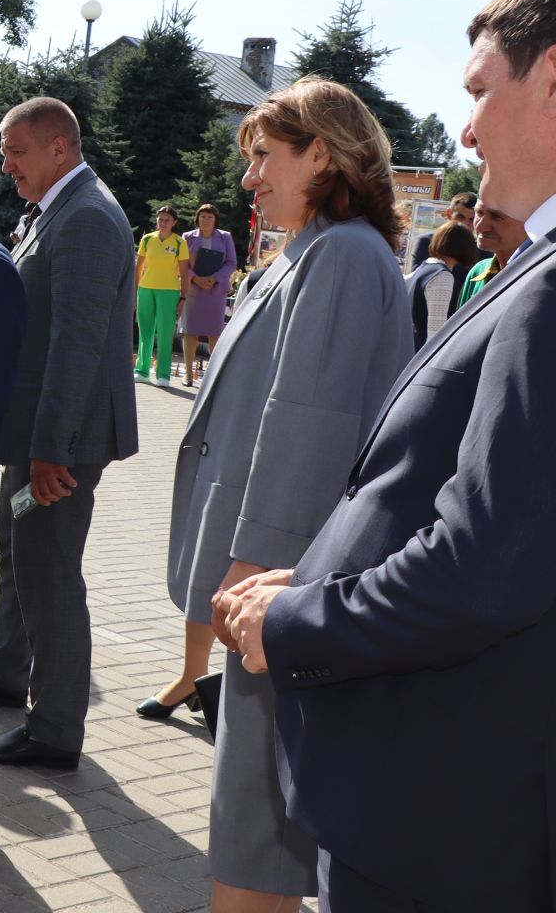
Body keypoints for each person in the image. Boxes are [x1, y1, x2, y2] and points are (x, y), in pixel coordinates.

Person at [220, 0, 556, 910]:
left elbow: (486, 566)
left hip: (445, 814)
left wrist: (294, 620)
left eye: (481, 91)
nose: (466, 128)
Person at [159, 79, 412, 909]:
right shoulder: (312, 249)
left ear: (324, 154)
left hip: (274, 582)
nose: (248, 178)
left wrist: (257, 569)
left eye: (264, 156)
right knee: (253, 814)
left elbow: (310, 422)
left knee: (258, 826)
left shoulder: (339, 254)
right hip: (267, 581)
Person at [0, 96, 137, 770]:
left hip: (57, 447)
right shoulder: (60, 210)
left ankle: (55, 729)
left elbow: (79, 344)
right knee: (19, 545)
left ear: (58, 149)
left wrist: (50, 452)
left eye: (17, 151)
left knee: (50, 573)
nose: (6, 163)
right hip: (33, 440)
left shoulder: (88, 218)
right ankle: (7, 669)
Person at [179, 204, 238, 385]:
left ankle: (212, 376)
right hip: (193, 290)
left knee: (215, 332)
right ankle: (188, 374)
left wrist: (214, 278)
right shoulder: (187, 237)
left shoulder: (225, 237)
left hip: (215, 290)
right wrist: (195, 278)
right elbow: (181, 264)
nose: (206, 220)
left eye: (210, 217)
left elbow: (231, 263)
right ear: (197, 218)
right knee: (190, 331)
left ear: (215, 220)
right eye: (203, 216)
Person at [133, 205, 191, 385]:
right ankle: (142, 370)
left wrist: (183, 298)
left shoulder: (180, 243)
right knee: (145, 331)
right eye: (161, 219)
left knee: (165, 333)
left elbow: (184, 273)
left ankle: (163, 374)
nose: (163, 223)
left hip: (169, 292)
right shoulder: (147, 239)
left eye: (167, 220)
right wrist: (135, 292)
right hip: (146, 289)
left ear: (174, 223)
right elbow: (139, 268)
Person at [404, 220, 479, 350]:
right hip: (422, 355)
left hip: (412, 348)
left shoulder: (425, 267)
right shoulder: (442, 276)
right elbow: (435, 332)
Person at [455, 194, 527, 308]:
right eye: (479, 213)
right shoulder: (479, 271)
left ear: (528, 222)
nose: (480, 226)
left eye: (496, 217)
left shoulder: (540, 277)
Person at [406, 190, 474, 269]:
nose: (465, 223)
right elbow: (420, 278)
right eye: (460, 217)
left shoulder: (482, 251)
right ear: (449, 214)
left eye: (471, 219)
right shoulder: (426, 242)